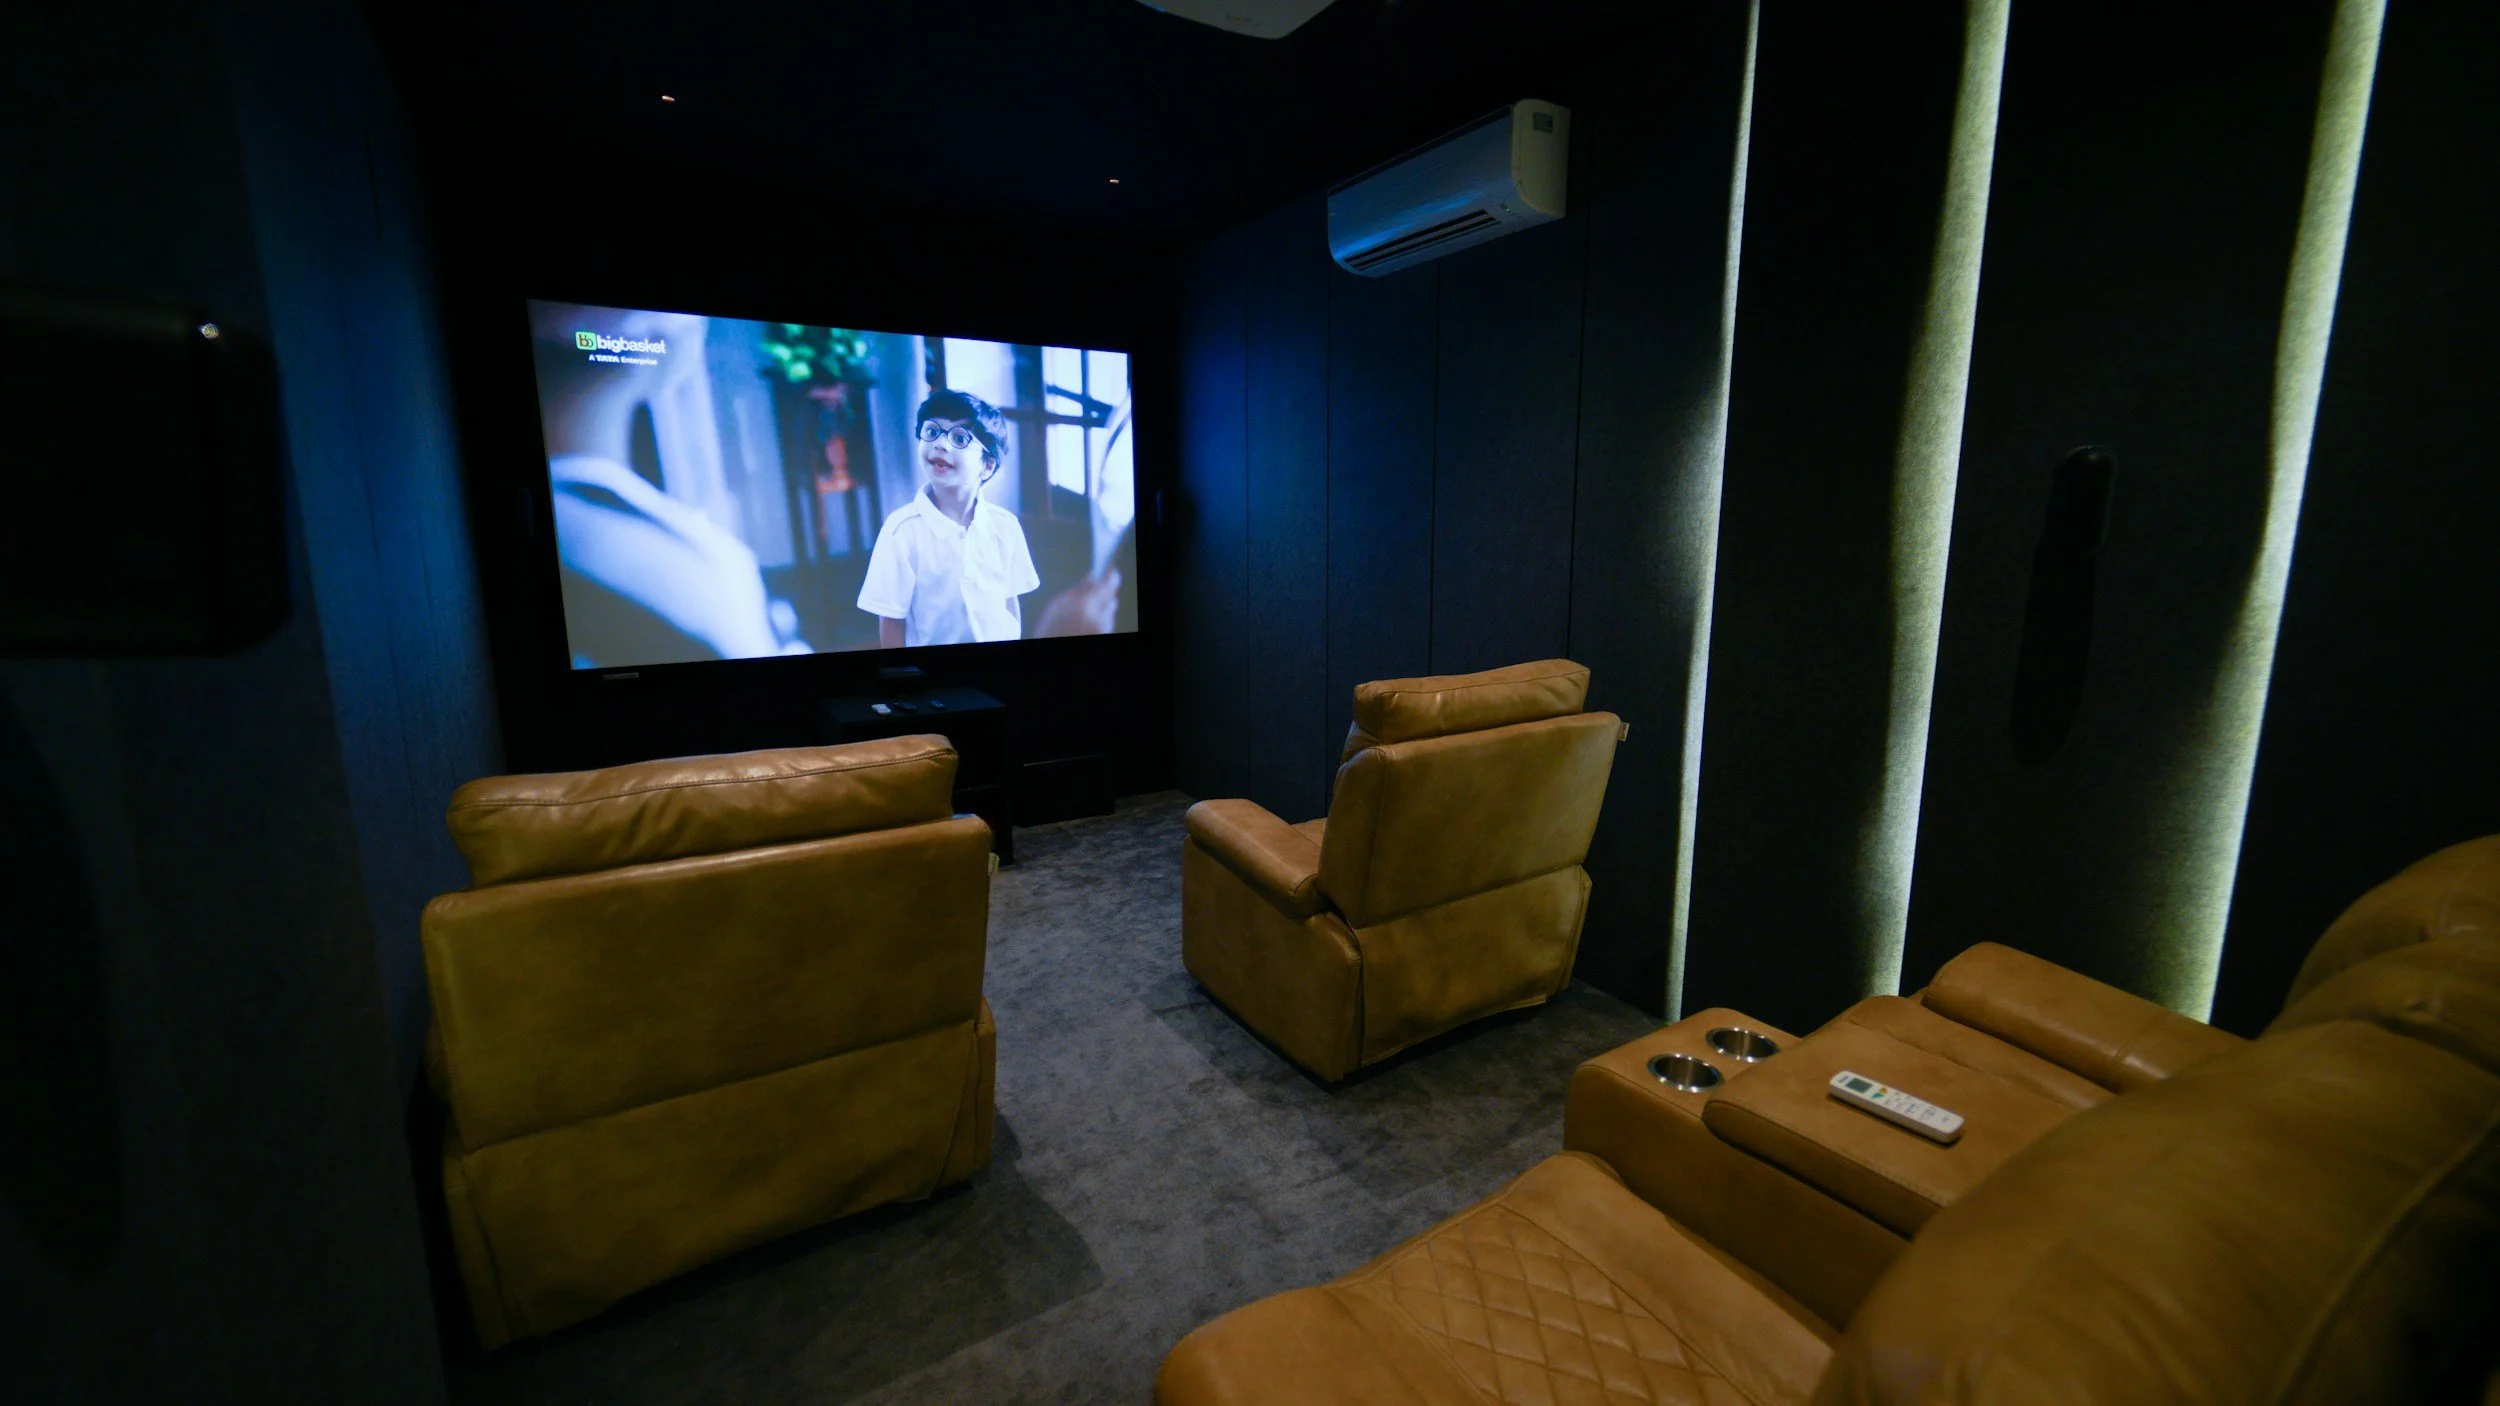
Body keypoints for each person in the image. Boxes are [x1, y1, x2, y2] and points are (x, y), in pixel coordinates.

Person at [856, 388, 1040, 646]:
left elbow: (1009, 602)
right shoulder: (901, 531)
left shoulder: (1005, 525)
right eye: (932, 432)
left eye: (960, 438)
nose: (940, 444)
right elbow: (891, 620)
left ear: (987, 465)